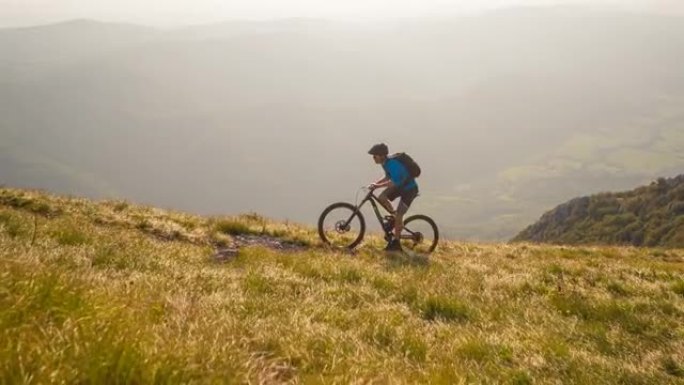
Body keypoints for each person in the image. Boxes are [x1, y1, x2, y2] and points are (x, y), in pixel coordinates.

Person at [367, 143, 419, 251]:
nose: (373, 158)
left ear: (381, 155)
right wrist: (375, 184)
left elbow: (393, 183)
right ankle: (395, 218)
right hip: (400, 186)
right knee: (382, 197)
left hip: (409, 190)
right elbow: (388, 177)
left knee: (400, 214)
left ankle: (396, 243)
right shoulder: (385, 163)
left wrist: (377, 186)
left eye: (374, 156)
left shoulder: (392, 164)